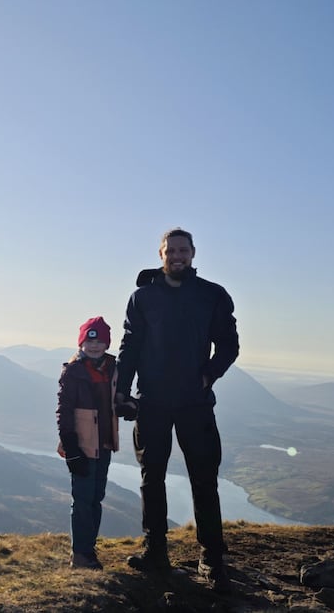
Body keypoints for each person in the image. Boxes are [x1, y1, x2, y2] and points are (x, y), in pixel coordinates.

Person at [115, 227, 239, 590]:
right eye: (171, 251)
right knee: (151, 478)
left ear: (193, 253)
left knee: (204, 480)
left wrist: (207, 377)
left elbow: (229, 346)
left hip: (194, 404)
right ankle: (156, 553)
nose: (177, 256)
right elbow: (130, 346)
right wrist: (122, 391)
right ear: (161, 254)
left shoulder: (212, 296)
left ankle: (212, 560)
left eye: (183, 250)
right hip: (152, 402)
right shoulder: (142, 298)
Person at [56, 316, 122, 570]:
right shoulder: (73, 370)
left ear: (106, 343)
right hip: (81, 445)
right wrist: (70, 447)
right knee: (82, 499)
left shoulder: (112, 368)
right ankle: (81, 555)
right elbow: (64, 409)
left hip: (104, 444)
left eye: (100, 340)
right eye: (89, 340)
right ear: (82, 342)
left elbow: (117, 399)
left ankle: (88, 549)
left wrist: (129, 406)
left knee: (96, 498)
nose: (95, 346)